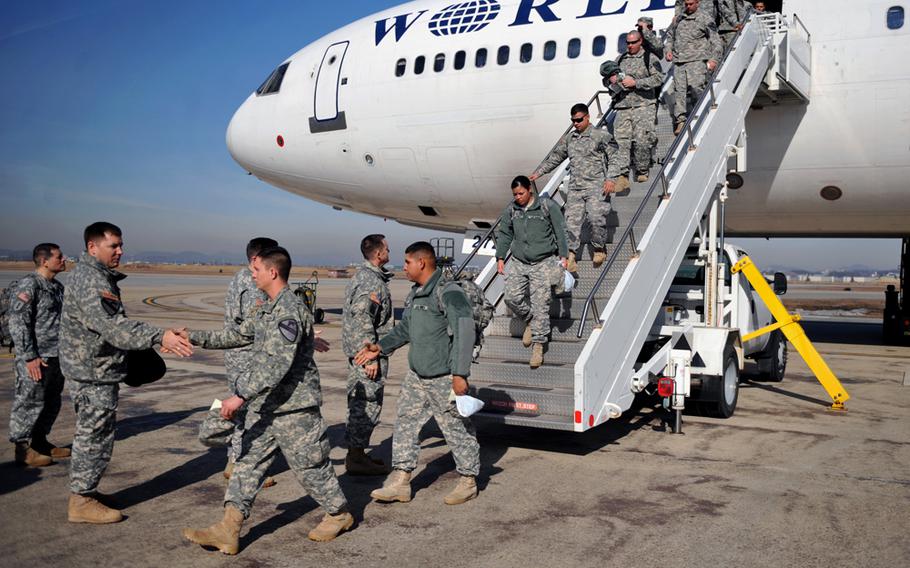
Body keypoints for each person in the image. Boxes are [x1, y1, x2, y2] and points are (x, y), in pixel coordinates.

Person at [183, 246, 352, 555]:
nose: (252, 274)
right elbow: (235, 335)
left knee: (310, 467)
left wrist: (239, 396)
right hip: (268, 406)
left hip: (294, 408)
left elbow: (277, 363)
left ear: (272, 272)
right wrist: (192, 336)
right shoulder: (267, 308)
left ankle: (339, 513)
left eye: (257, 269)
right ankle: (228, 529)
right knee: (248, 463)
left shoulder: (288, 309)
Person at [61, 222, 193, 524]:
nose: (120, 251)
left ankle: (86, 492)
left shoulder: (94, 276)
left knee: (95, 433)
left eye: (121, 245)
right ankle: (81, 500)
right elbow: (114, 328)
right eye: (114, 246)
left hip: (94, 368)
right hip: (93, 372)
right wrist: (161, 337)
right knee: (94, 435)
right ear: (93, 247)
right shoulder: (92, 281)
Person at [355, 241, 480, 506]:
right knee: (405, 424)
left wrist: (460, 373)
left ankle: (468, 480)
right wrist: (381, 347)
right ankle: (401, 480)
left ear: (421, 262)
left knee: (455, 428)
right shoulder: (417, 293)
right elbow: (405, 330)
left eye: (408, 262)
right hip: (417, 375)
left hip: (443, 375)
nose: (404, 267)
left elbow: (465, 329)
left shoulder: (448, 292)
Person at [530, 103, 622, 271]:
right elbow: (556, 157)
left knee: (596, 219)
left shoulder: (600, 135)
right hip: (576, 188)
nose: (576, 123)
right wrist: (539, 172)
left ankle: (599, 247)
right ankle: (571, 255)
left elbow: (615, 158)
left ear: (587, 117)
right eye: (573, 120)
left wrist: (611, 179)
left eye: (579, 120)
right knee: (571, 223)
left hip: (596, 186)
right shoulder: (570, 139)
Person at [221, 237, 278, 488]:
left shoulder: (240, 278)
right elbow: (254, 325)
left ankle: (235, 461)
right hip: (246, 356)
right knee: (250, 412)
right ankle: (240, 466)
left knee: (245, 410)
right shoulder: (251, 282)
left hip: (241, 355)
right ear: (256, 259)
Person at [495, 176, 568, 368]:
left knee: (540, 305)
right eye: (515, 194)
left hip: (543, 261)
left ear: (530, 190)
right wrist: (500, 257)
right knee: (511, 297)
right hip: (520, 261)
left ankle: (538, 346)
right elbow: (504, 233)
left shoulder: (546, 206)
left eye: (521, 193)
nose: (518, 197)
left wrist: (564, 255)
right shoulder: (512, 210)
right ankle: (529, 319)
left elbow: (560, 230)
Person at [8, 243, 68, 467]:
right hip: (36, 357)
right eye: (59, 257)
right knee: (29, 401)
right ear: (45, 261)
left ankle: (40, 442)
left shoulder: (57, 287)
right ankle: (22, 448)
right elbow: (18, 323)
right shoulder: (29, 285)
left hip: (56, 355)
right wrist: (29, 356)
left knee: (51, 401)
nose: (64, 259)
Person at [342, 234, 394, 475]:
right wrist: (370, 354)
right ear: (378, 254)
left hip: (363, 353)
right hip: (367, 355)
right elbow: (363, 317)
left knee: (361, 404)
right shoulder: (371, 281)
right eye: (386, 248)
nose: (389, 250)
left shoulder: (366, 277)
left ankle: (357, 455)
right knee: (366, 405)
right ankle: (356, 457)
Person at [611, 30, 666, 184]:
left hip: (644, 105)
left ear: (640, 41)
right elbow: (608, 81)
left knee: (642, 140)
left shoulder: (649, 58)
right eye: (627, 42)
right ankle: (623, 174)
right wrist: (612, 80)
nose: (629, 45)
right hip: (624, 106)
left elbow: (659, 78)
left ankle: (642, 169)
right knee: (621, 141)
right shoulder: (620, 59)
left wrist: (637, 83)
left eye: (633, 42)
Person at [666, 0, 723, 134]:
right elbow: (670, 37)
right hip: (679, 62)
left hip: (697, 61)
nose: (688, 6)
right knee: (679, 93)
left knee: (696, 88)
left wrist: (714, 59)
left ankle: (701, 113)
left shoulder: (705, 18)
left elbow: (715, 41)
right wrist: (668, 50)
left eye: (691, 4)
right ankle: (680, 121)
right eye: (686, 4)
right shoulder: (678, 18)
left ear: (697, 3)